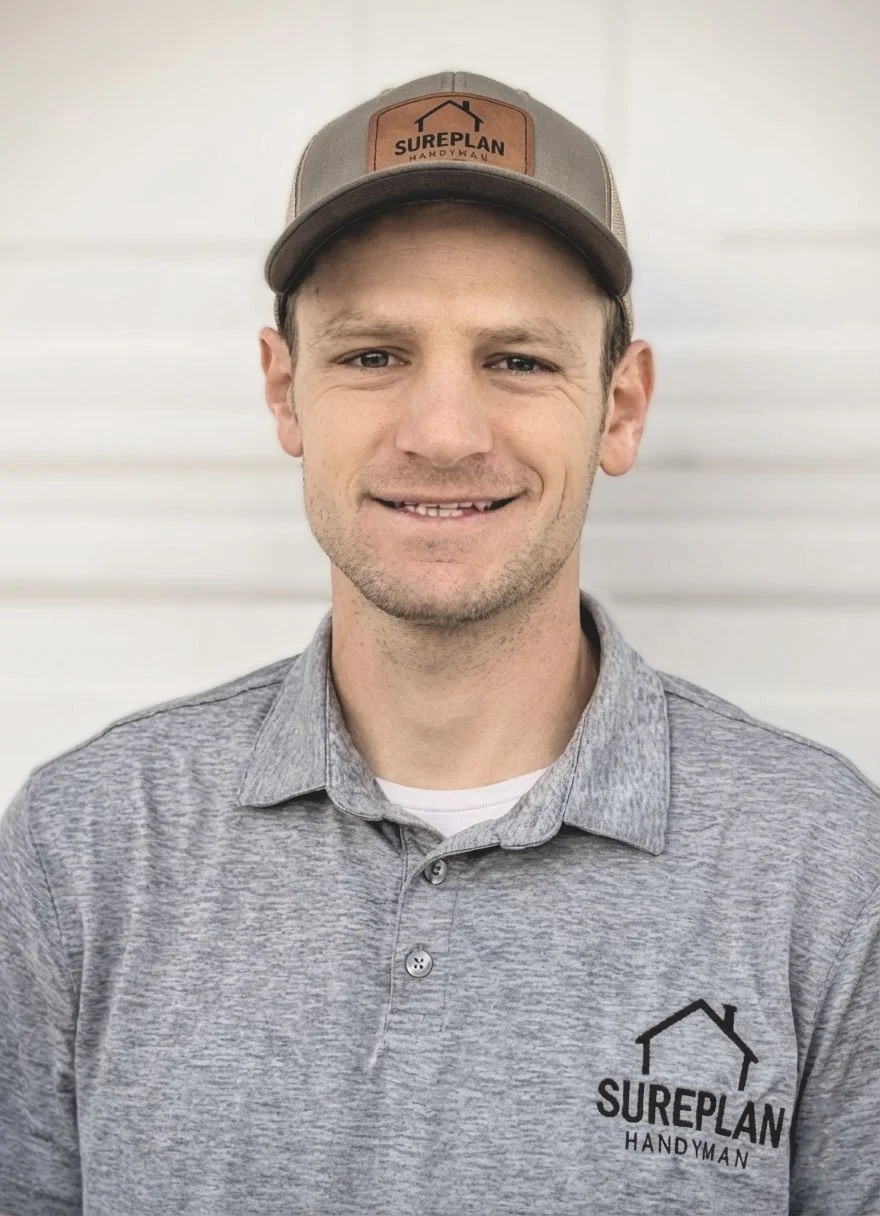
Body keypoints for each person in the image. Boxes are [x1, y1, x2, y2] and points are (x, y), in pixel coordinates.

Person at [0, 70, 877, 1216]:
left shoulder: (826, 870)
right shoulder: (88, 847)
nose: (444, 434)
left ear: (619, 407)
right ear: (284, 391)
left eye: (517, 359)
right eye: (373, 355)